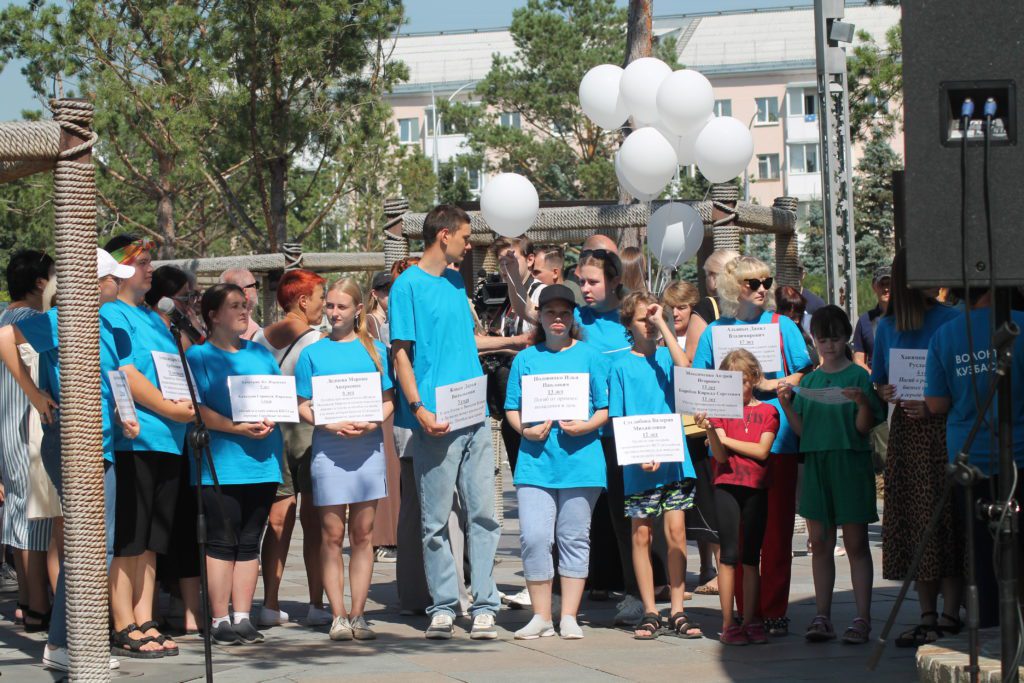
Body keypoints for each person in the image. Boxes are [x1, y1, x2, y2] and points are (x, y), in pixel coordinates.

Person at [0, 248, 139, 670]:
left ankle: (72, 641)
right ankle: (64, 643)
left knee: (100, 547)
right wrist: (34, 393)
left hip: (105, 444)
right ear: (94, 283)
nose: (120, 282)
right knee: (89, 547)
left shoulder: (105, 326)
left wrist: (127, 417)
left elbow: (113, 381)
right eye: (114, 276)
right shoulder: (61, 320)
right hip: (74, 445)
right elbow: (5, 337)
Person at [389, 204, 501, 640]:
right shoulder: (406, 286)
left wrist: (514, 339)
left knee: (484, 514)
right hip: (434, 418)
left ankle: (486, 604)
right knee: (434, 519)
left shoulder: (456, 281)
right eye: (466, 237)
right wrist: (418, 408)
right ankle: (443, 604)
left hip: (473, 414)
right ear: (444, 237)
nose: (469, 245)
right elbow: (401, 352)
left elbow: (466, 342)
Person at [691, 255, 812, 637]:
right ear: (732, 287)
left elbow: (806, 372)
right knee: (737, 539)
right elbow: (699, 380)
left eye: (766, 281)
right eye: (752, 283)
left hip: (775, 441)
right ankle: (741, 615)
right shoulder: (714, 332)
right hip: (726, 447)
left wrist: (772, 386)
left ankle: (773, 610)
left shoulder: (783, 325)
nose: (762, 289)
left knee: (775, 533)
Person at [101, 234, 195, 657]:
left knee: (155, 538)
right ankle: (122, 622)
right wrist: (170, 409)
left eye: (150, 260)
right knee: (130, 537)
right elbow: (125, 373)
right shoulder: (112, 314)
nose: (149, 267)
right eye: (141, 261)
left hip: (168, 441)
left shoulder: (155, 318)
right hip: (136, 440)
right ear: (120, 269)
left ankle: (145, 617)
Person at [503, 284, 609, 640]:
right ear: (540, 317)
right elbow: (511, 408)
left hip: (582, 463)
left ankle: (569, 616)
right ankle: (540, 616)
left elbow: (605, 408)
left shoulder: (592, 357)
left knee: (573, 537)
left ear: (573, 317)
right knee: (534, 537)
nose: (558, 319)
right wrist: (524, 432)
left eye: (565, 313)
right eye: (551, 313)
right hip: (535, 462)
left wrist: (587, 425)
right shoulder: (525, 359)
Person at [777, 305, 885, 645]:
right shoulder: (810, 381)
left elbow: (863, 427)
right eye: (823, 339)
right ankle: (822, 615)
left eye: (835, 338)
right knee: (820, 543)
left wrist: (862, 403)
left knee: (855, 543)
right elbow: (802, 430)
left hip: (850, 463)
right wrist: (786, 406)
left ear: (845, 338)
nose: (829, 345)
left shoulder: (858, 377)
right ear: (815, 340)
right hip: (816, 464)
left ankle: (862, 617)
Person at [294, 278, 394, 641]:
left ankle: (358, 613)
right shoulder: (312, 353)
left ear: (357, 311)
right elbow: (302, 403)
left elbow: (388, 400)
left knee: (363, 534)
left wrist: (372, 420)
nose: (334, 313)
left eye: (341, 307)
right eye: (330, 306)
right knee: (331, 534)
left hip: (367, 449)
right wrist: (327, 421)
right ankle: (337, 614)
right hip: (329, 450)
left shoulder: (376, 352)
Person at [873, 250, 963, 647]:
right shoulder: (887, 327)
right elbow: (878, 380)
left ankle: (949, 613)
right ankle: (927, 613)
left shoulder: (953, 319)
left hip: (944, 430)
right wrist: (886, 390)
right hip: (907, 432)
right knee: (915, 521)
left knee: (947, 521)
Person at [186, 283, 284, 645]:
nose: (244, 311)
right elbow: (195, 409)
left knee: (249, 542)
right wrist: (235, 427)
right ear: (213, 315)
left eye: (245, 305)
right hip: (221, 464)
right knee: (221, 541)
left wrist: (273, 417)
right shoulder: (198, 357)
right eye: (234, 306)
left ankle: (243, 616)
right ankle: (219, 618)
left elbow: (279, 397)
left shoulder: (261, 354)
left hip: (263, 461)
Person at [925, 287, 1024, 629]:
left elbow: (936, 404)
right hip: (1018, 456)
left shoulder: (945, 335)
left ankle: (992, 629)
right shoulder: (1021, 326)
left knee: (983, 553)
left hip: (970, 460)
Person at [574, 248, 662, 623]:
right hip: (598, 431)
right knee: (610, 515)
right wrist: (513, 272)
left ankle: (650, 591)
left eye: (592, 281)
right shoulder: (579, 316)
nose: (585, 289)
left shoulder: (632, 316)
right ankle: (626, 587)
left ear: (613, 280)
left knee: (645, 515)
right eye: (581, 281)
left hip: (638, 428)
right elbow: (533, 313)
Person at [609, 291, 700, 640]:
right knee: (642, 533)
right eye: (641, 320)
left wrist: (663, 320)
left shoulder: (666, 357)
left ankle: (677, 608)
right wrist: (638, 455)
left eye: (653, 318)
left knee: (676, 533)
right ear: (628, 325)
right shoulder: (619, 366)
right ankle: (649, 609)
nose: (648, 325)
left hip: (674, 460)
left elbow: (686, 367)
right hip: (639, 462)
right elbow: (618, 419)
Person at [252, 269, 329, 627]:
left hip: (271, 432)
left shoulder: (260, 338)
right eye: (320, 297)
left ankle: (269, 602)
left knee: (277, 519)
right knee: (313, 520)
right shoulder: (317, 341)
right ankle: (316, 603)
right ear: (302, 301)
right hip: (308, 430)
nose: (324, 305)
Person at [696, 349, 778, 645]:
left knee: (750, 557)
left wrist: (725, 438)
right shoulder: (718, 412)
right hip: (726, 486)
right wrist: (711, 431)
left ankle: (752, 618)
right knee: (728, 555)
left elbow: (762, 451)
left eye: (741, 381)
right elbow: (718, 456)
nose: (736, 389)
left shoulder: (769, 411)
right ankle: (729, 622)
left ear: (754, 379)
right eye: (729, 382)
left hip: (756, 487)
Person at [145, 265, 204, 635]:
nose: (192, 302)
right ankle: (149, 609)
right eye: (187, 296)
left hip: (185, 438)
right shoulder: (153, 326)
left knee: (185, 522)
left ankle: (188, 607)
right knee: (157, 530)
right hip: (155, 435)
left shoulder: (180, 327)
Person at [0, 250, 55, 633]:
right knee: (38, 519)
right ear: (41, 282)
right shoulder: (34, 320)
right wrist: (37, 396)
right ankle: (38, 604)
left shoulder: (3, 315)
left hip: (8, 428)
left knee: (20, 515)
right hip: (31, 425)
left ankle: (26, 600)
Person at [662, 280, 720, 594]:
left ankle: (717, 570)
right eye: (671, 307)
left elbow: (685, 363)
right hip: (676, 424)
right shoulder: (666, 329)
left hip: (697, 425)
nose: (676, 313)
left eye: (682, 306)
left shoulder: (698, 329)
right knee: (686, 505)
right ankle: (698, 569)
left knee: (707, 503)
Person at [687, 248, 740, 360]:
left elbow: (693, 356)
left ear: (715, 278)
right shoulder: (749, 304)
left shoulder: (707, 306)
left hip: (718, 375)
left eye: (707, 275)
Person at [853, 267, 891, 373]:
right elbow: (858, 359)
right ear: (874, 287)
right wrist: (873, 377)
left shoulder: (907, 318)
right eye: (881, 284)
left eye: (889, 284)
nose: (886, 289)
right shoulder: (865, 320)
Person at [775, 285, 819, 367]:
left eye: (799, 315)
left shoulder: (806, 332)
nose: (797, 320)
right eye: (792, 317)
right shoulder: (775, 340)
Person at [219, 267, 262, 340]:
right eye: (255, 285)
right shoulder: (257, 335)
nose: (257, 289)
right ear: (243, 291)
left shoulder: (215, 327)